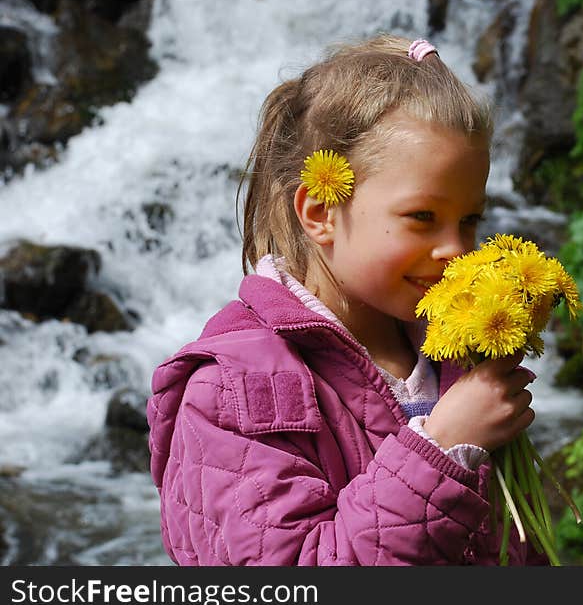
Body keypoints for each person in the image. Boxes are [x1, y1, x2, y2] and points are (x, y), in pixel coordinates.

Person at [146, 35, 544, 565]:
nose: (456, 249)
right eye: (422, 217)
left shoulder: (451, 351)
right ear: (321, 212)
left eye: (469, 220)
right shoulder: (230, 392)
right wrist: (442, 448)